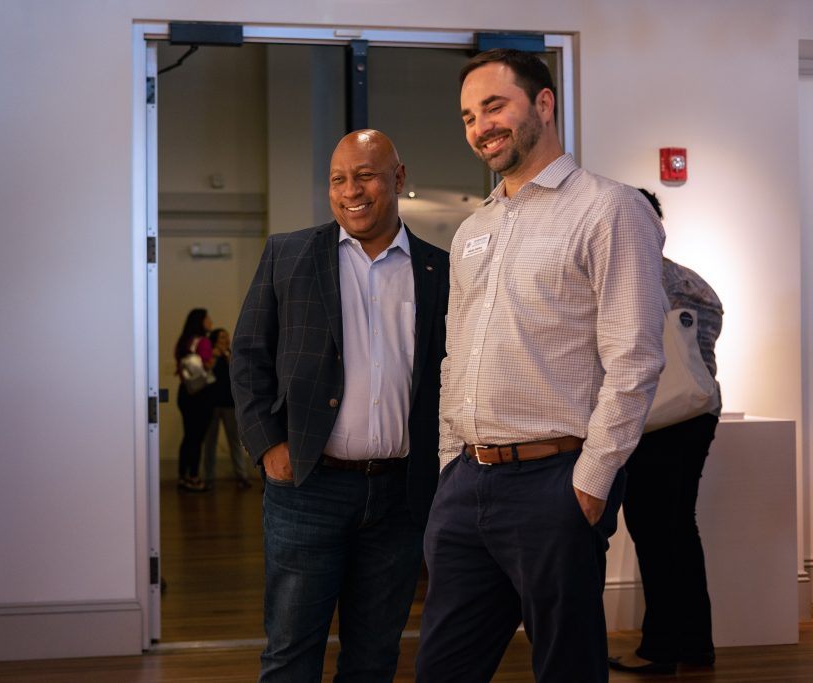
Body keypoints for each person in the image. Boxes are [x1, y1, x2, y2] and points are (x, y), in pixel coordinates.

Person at [415, 49, 666, 683]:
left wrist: (589, 482)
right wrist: (450, 463)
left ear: (544, 104)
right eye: (469, 116)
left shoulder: (609, 209)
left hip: (554, 482)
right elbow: (456, 352)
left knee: (567, 669)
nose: (480, 127)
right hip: (467, 483)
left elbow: (634, 358)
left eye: (494, 106)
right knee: (443, 668)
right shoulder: (473, 229)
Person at [231, 129, 449, 682]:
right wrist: (268, 446)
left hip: (400, 496)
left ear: (398, 179)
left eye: (366, 175)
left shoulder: (440, 270)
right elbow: (248, 356)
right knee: (290, 653)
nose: (351, 190)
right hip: (308, 487)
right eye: (338, 179)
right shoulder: (289, 254)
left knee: (375, 657)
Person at [607, 189, 723, 675]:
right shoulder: (692, 282)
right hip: (698, 415)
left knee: (654, 532)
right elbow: (708, 346)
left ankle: (659, 648)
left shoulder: (630, 279)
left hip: (653, 418)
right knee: (679, 527)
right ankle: (695, 646)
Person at [202, 327, 253, 489]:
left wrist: (227, 356)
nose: (225, 339)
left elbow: (238, 373)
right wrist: (215, 356)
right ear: (215, 339)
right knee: (210, 442)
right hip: (211, 405)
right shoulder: (211, 355)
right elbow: (205, 373)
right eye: (222, 337)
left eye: (227, 337)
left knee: (235, 442)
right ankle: (209, 478)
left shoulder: (231, 354)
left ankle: (242, 477)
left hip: (230, 404)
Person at [174, 308, 215, 493]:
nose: (210, 321)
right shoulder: (204, 342)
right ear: (201, 321)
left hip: (185, 392)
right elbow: (207, 364)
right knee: (198, 437)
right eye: (207, 318)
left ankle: (183, 476)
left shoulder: (183, 342)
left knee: (188, 435)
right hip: (201, 394)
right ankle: (195, 477)